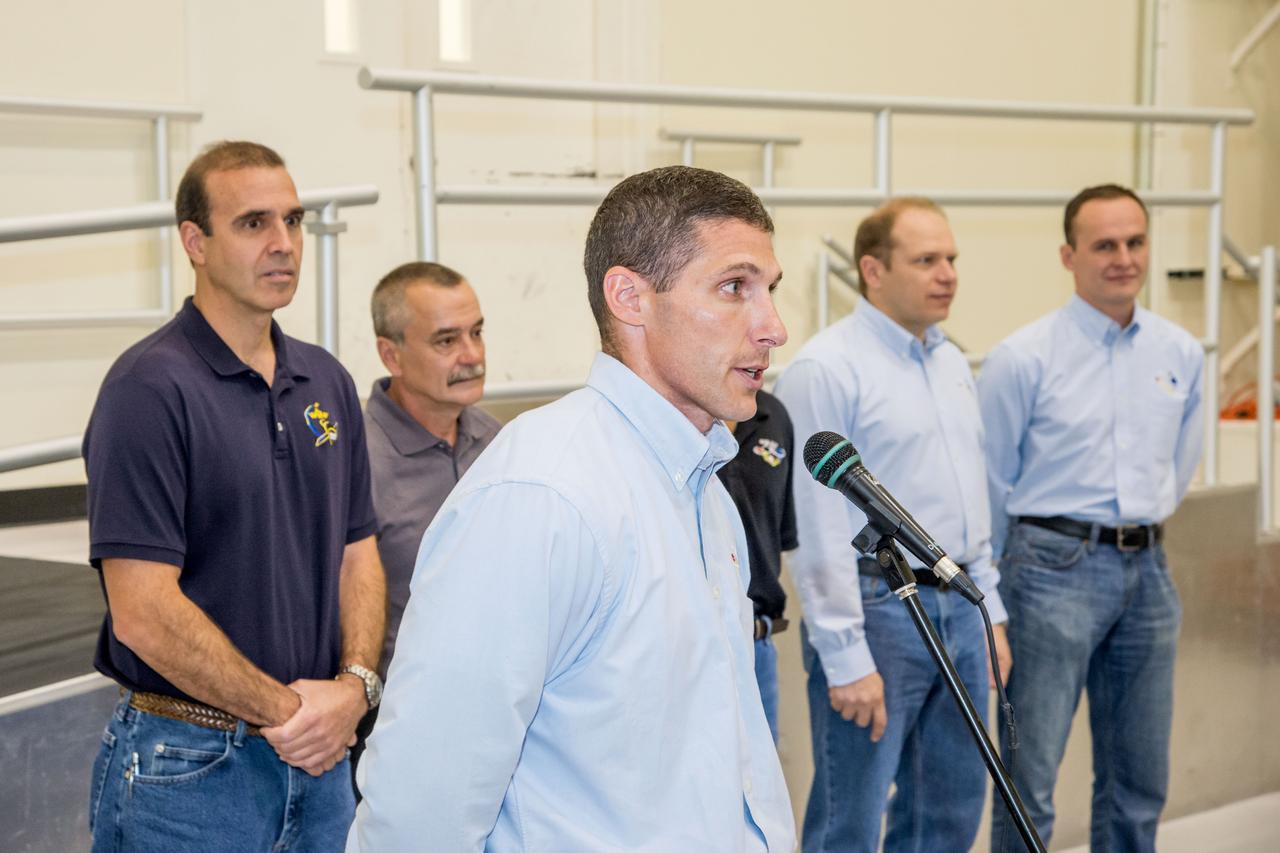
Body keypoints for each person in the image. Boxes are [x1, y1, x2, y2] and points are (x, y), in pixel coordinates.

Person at [348, 165, 795, 851]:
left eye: (769, 291)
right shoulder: (543, 493)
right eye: (735, 288)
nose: (773, 327)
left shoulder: (702, 486)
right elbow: (421, 807)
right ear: (630, 297)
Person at [82, 141, 385, 853]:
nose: (283, 244)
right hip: (188, 769)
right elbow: (143, 614)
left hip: (320, 761)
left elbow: (358, 553)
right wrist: (291, 713)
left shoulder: (327, 381)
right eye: (253, 223)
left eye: (292, 220)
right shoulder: (148, 390)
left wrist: (356, 687)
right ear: (195, 241)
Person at [775, 197, 1009, 853]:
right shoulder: (826, 369)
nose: (948, 274)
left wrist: (988, 607)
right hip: (878, 608)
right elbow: (818, 526)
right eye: (927, 259)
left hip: (959, 603)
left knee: (952, 804)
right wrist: (844, 654)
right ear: (872, 270)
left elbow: (970, 499)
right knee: (852, 812)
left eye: (953, 259)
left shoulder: (950, 361)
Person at [979, 184, 1203, 852]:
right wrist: (989, 598)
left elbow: (1179, 464)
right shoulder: (1023, 357)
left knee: (1139, 779)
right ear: (1068, 255)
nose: (1123, 257)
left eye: (1135, 242)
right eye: (1104, 244)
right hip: (1048, 572)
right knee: (1030, 778)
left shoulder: (1180, 352)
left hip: (1150, 573)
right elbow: (990, 481)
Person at [354, 261, 500, 778]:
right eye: (446, 341)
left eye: (477, 332)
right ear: (390, 354)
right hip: (394, 742)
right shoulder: (352, 459)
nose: (473, 355)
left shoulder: (501, 445)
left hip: (498, 725)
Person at [718, 389, 799, 742]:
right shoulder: (677, 414)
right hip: (695, 650)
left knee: (763, 791)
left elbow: (779, 533)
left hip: (758, 644)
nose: (771, 335)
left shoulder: (772, 415)